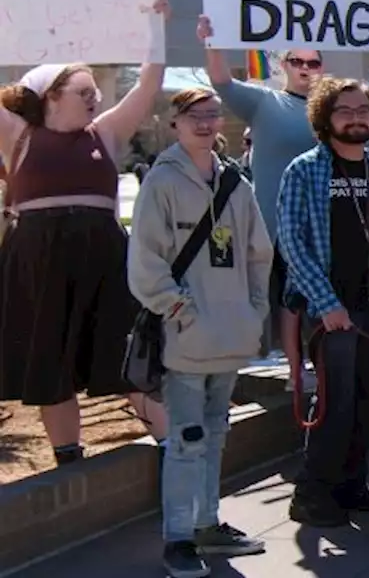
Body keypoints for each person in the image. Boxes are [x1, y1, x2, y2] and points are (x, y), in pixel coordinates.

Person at [0, 0, 171, 466]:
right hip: (37, 254)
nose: (95, 96)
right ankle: (68, 458)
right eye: (83, 90)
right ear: (50, 96)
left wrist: (156, 25)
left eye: (96, 89)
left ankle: (173, 449)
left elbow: (149, 83)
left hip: (102, 253)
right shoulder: (17, 133)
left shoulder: (109, 132)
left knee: (124, 352)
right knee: (50, 356)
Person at [196, 16, 369, 389]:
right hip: (272, 223)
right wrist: (210, 41)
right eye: (298, 61)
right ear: (284, 65)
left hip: (328, 222)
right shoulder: (264, 101)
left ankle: (308, 370)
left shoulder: (337, 110)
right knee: (287, 300)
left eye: (314, 62)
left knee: (305, 299)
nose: (306, 69)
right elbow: (221, 82)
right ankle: (295, 373)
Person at [127, 87, 272, 577]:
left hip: (230, 336)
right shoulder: (162, 182)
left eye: (213, 115)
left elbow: (258, 254)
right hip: (186, 339)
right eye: (195, 116)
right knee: (188, 439)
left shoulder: (235, 182)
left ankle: (208, 524)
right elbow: (145, 261)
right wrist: (179, 309)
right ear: (174, 122)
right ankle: (179, 538)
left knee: (216, 432)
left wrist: (254, 311)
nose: (206, 124)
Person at [279, 77, 369, 526]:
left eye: (363, 111)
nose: (355, 118)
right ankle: (311, 493)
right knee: (336, 403)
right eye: (344, 110)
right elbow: (291, 241)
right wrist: (326, 303)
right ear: (325, 118)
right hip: (328, 307)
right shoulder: (305, 169)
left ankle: (350, 484)